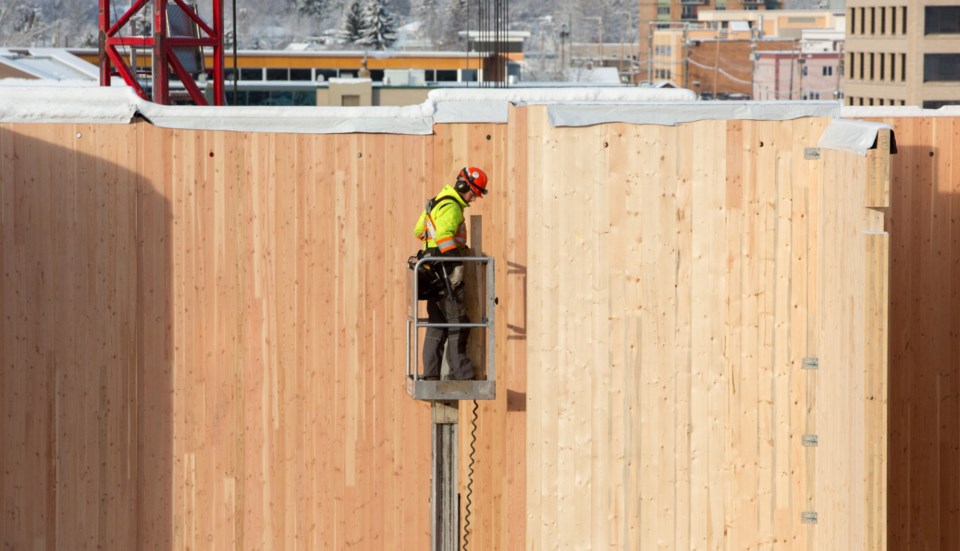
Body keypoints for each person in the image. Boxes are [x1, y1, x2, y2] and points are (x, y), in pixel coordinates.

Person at [412, 166, 489, 381]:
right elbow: (445, 235)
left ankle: (430, 374)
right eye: (473, 193)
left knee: (437, 323)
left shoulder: (435, 203)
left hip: (432, 267)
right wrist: (455, 263)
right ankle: (461, 374)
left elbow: (419, 231)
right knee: (458, 321)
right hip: (445, 269)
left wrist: (434, 244)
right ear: (464, 186)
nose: (473, 199)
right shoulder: (453, 207)